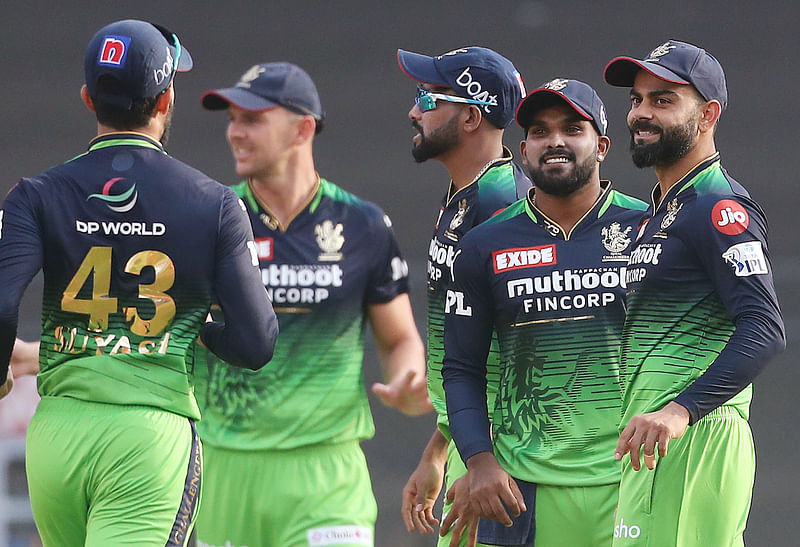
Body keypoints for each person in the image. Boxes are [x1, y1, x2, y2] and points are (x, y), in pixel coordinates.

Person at [0, 19, 278, 547]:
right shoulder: (216, 204)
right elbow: (257, 342)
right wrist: (196, 326)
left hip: (56, 436)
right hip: (148, 440)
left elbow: (1, 303)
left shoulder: (34, 194)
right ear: (167, 98)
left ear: (88, 98)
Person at [192, 61, 430, 547]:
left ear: (303, 128)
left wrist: (409, 377)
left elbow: (400, 337)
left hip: (327, 472)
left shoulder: (363, 224)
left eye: (252, 119)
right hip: (225, 468)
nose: (235, 133)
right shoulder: (206, 222)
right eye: (232, 120)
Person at [440, 79, 647, 547]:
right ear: (524, 149)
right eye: (539, 130)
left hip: (629, 485)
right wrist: (479, 461)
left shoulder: (649, 231)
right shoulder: (484, 243)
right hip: (521, 489)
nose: (555, 140)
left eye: (573, 128)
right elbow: (461, 368)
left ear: (603, 146)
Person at [603, 40, 785, 546]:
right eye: (637, 100)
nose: (641, 112)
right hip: (653, 441)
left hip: (694, 436)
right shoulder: (658, 214)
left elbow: (765, 329)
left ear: (707, 115)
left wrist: (679, 410)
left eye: (663, 100)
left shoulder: (718, 206)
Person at [396, 46, 530, 546]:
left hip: (503, 462)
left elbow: (525, 358)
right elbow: (474, 352)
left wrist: (483, 464)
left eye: (426, 97)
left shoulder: (502, 204)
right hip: (476, 449)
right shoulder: (466, 194)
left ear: (472, 116)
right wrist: (438, 449)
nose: (414, 110)